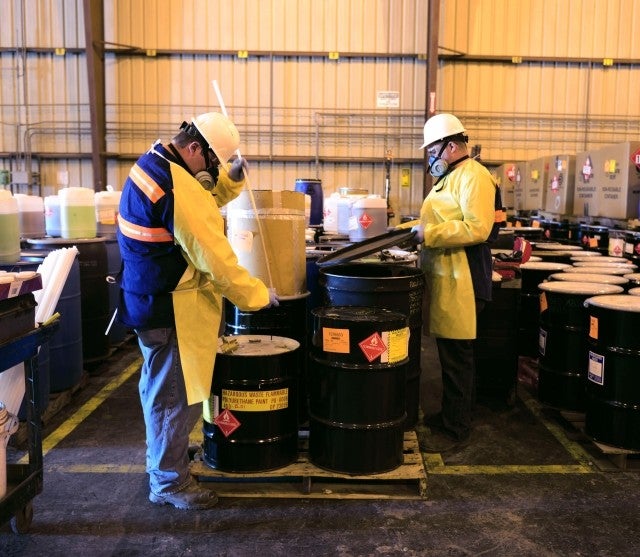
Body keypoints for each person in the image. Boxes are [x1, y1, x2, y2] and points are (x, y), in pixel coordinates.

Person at [116, 112, 279, 509]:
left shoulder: (156, 162)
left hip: (146, 299)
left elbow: (201, 198)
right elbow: (216, 259)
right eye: (211, 162)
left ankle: (162, 459)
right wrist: (258, 296)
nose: (211, 171)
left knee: (158, 390)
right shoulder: (178, 186)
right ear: (193, 149)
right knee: (175, 397)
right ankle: (170, 483)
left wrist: (232, 178)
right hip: (172, 307)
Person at [408, 113, 503, 453]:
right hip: (448, 275)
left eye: (432, 149)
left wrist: (428, 233)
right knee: (449, 353)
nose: (429, 156)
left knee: (458, 356)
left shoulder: (473, 177)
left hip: (464, 277)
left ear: (450, 146)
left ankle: (457, 426)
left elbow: (477, 228)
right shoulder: (450, 177)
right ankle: (450, 414)